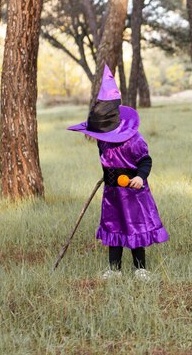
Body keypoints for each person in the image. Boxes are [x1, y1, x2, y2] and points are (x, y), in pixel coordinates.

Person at [67, 64, 168, 280]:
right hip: (112, 194)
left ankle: (140, 268)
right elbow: (106, 163)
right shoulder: (102, 142)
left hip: (133, 193)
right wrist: (107, 176)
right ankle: (114, 270)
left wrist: (140, 177)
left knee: (135, 228)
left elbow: (145, 161)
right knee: (114, 228)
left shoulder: (134, 140)